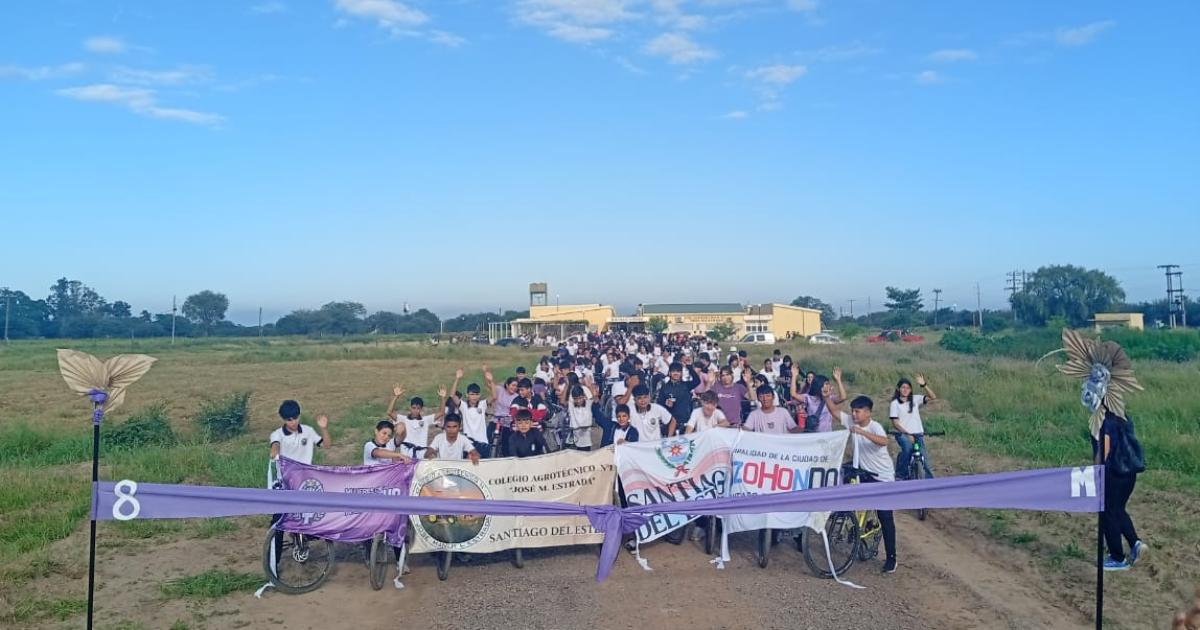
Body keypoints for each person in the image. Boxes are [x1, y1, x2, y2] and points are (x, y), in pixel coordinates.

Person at [1055, 329, 1147, 572]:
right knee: (1118, 508)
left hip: (1113, 471)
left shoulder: (1100, 421)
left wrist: (1096, 472)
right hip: (1130, 471)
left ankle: (1117, 558)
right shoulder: (1122, 415)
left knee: (1107, 511)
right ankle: (1136, 544)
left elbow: (1103, 450)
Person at [840, 395, 898, 573]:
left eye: (857, 411)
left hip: (883, 478)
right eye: (852, 411)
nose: (854, 414)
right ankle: (855, 523)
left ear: (867, 413)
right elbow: (834, 412)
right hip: (864, 472)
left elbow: (884, 441)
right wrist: (826, 397)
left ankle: (891, 558)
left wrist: (862, 432)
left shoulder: (875, 426)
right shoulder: (852, 421)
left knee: (885, 517)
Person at [890, 374, 938, 480]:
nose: (905, 390)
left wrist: (924, 385)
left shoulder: (915, 399)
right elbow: (895, 423)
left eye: (908, 388)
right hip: (902, 434)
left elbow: (933, 397)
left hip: (918, 433)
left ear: (911, 389)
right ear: (898, 389)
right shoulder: (895, 403)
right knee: (907, 449)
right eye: (903, 387)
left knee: (924, 457)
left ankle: (930, 481)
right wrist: (907, 434)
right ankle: (900, 475)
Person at [387, 387, 443, 458]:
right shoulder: (403, 419)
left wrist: (442, 398)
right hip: (406, 453)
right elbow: (389, 412)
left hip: (421, 453)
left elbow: (441, 413)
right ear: (410, 408)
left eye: (418, 408)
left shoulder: (426, 420)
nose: (415, 410)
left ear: (421, 409)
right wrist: (396, 396)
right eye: (413, 408)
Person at [269, 399, 331, 464]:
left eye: (296, 418)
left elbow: (326, 446)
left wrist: (324, 429)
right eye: (289, 420)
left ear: (299, 415)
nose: (294, 422)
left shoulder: (308, 431)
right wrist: (274, 451)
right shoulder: (277, 434)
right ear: (284, 419)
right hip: (287, 470)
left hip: (306, 470)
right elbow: (275, 444)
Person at [448, 368, 491, 458]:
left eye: (476, 394)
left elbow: (494, 396)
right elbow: (452, 395)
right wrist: (457, 379)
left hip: (483, 443)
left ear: (479, 395)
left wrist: (491, 381)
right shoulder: (463, 406)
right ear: (467, 395)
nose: (474, 397)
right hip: (469, 443)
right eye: (472, 394)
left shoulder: (482, 404)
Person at [794, 368, 846, 432]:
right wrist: (794, 376)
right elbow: (793, 394)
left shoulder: (829, 399)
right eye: (826, 384)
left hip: (826, 434)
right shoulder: (809, 398)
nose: (829, 386)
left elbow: (843, 397)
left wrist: (838, 380)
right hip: (813, 433)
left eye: (828, 384)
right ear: (819, 385)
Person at [657, 361, 700, 436]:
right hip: (670, 424)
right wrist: (666, 404)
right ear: (669, 373)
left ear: (681, 373)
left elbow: (697, 381)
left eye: (678, 371)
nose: (676, 373)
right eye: (673, 371)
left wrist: (689, 367)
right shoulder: (664, 388)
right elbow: (659, 405)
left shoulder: (686, 385)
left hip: (686, 422)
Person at [484, 365, 518, 456]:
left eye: (516, 386)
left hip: (507, 422)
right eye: (513, 385)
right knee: (488, 435)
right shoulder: (500, 390)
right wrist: (487, 374)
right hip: (496, 419)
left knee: (506, 444)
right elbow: (489, 385)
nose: (514, 388)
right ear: (507, 385)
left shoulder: (516, 397)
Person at [565, 385, 596, 451]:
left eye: (580, 398)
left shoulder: (588, 405)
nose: (578, 401)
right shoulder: (572, 407)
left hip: (586, 441)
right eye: (576, 399)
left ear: (584, 396)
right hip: (575, 440)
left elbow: (593, 398)